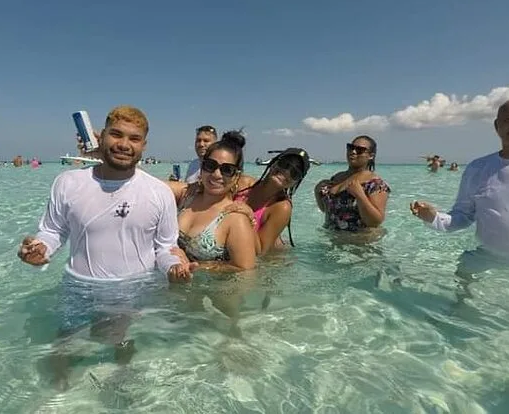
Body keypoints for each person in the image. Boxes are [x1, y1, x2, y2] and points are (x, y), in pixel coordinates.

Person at [17, 105, 193, 388]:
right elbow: (53, 231)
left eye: (134, 138)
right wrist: (40, 249)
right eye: (116, 134)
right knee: (63, 351)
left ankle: (121, 393)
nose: (124, 144)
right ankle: (55, 398)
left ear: (144, 145)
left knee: (123, 350)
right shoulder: (68, 182)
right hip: (78, 286)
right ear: (101, 137)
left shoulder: (159, 192)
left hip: (132, 289)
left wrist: (174, 268)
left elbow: (164, 247)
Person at [410, 96, 509, 262]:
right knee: (461, 273)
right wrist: (433, 217)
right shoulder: (477, 168)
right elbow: (462, 216)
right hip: (488, 259)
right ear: (497, 126)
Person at [166, 131, 257, 272]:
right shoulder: (187, 195)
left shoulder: (235, 218)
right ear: (202, 167)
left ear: (236, 176)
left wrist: (194, 266)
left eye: (227, 170)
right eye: (210, 165)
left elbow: (245, 270)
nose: (216, 174)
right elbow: (147, 185)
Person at [228, 148, 311, 255]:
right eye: (284, 164)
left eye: (295, 173)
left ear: (296, 182)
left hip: (269, 259)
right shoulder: (242, 183)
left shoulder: (282, 207)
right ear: (273, 163)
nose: (287, 172)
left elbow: (261, 251)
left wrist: (249, 217)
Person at [314, 135, 391, 234]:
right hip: (332, 239)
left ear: (371, 156)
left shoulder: (375, 184)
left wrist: (360, 196)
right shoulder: (337, 177)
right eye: (351, 147)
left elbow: (375, 222)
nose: (353, 151)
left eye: (360, 150)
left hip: (359, 242)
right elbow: (329, 211)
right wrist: (317, 192)